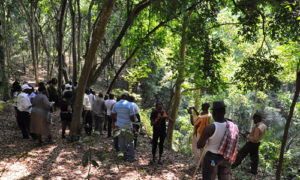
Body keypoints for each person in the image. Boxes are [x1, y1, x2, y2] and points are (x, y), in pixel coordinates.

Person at [197, 101, 239, 180]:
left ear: (214, 112)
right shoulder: (232, 126)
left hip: (212, 159)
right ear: (224, 112)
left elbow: (199, 145)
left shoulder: (210, 128)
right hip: (226, 159)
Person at [111, 93, 136, 162]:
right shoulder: (130, 104)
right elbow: (132, 116)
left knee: (121, 142)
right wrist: (134, 124)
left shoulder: (116, 104)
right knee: (130, 142)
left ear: (121, 97)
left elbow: (112, 114)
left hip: (119, 125)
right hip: (128, 126)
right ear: (127, 98)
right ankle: (132, 157)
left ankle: (124, 156)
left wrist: (115, 122)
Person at [188, 103, 211, 167]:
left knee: (195, 149)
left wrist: (190, 114)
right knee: (202, 150)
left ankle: (195, 163)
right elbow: (200, 117)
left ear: (202, 107)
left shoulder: (200, 117)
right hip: (205, 134)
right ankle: (201, 163)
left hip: (198, 135)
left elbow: (193, 123)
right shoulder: (209, 115)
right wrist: (195, 110)